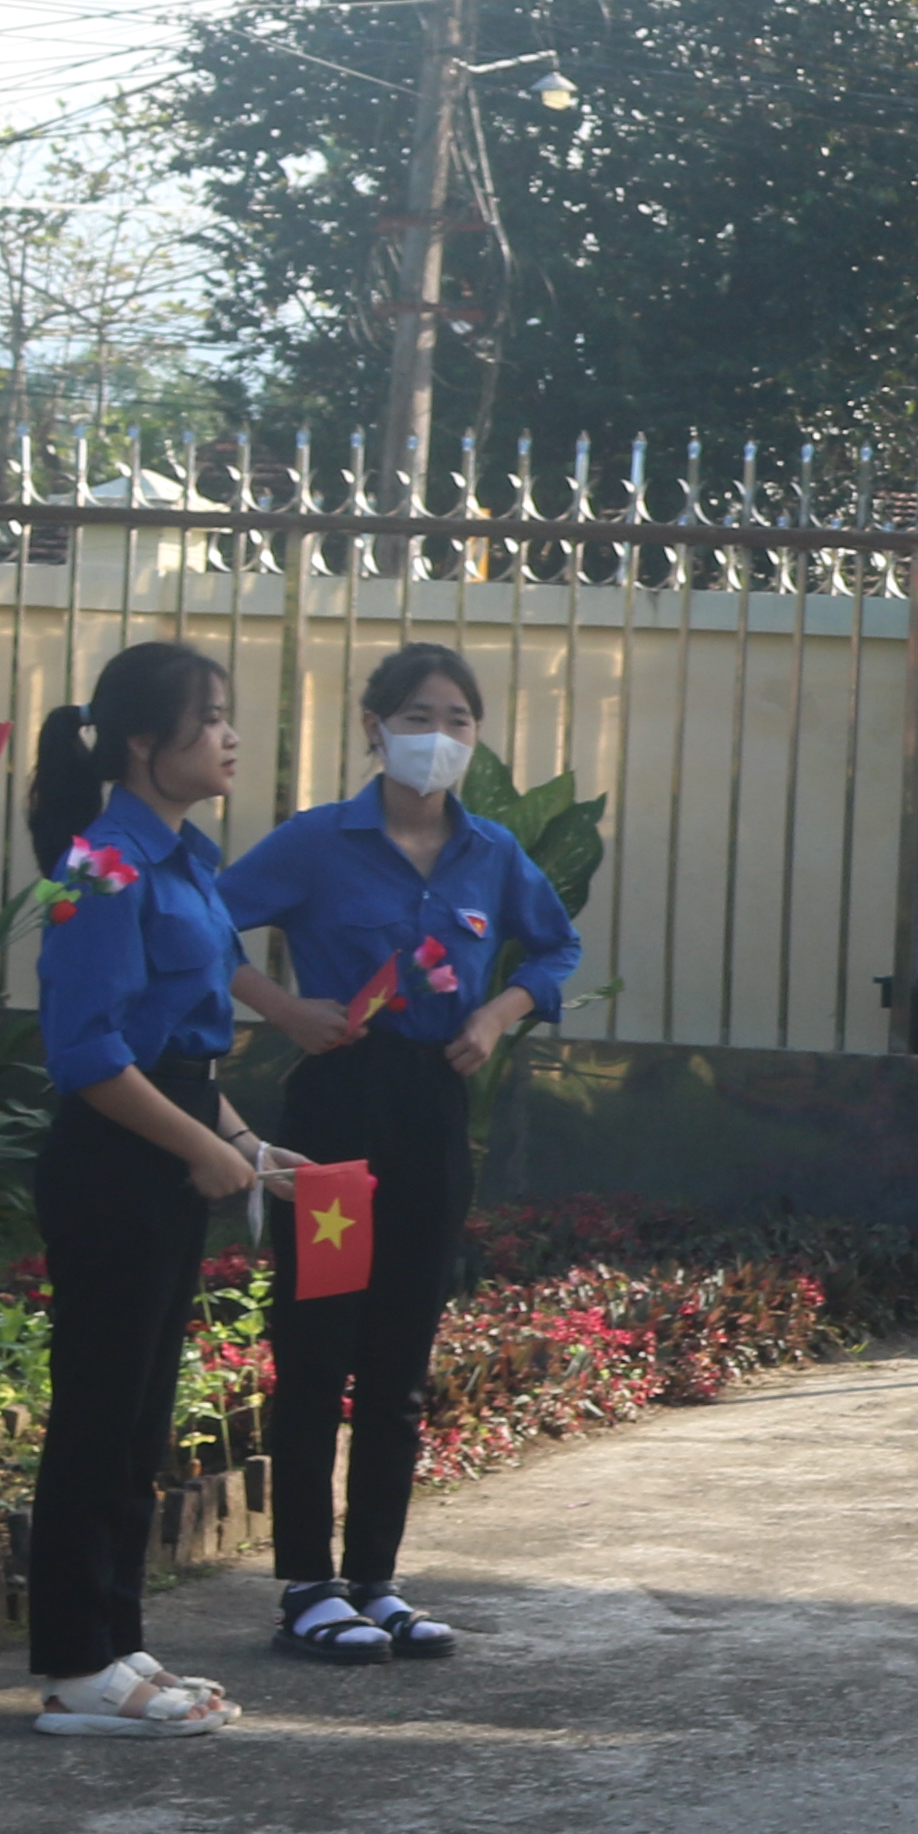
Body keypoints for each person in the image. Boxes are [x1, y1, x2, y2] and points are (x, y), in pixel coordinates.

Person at [223, 645, 583, 1668]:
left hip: (431, 1108)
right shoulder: (314, 843)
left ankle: (376, 1581)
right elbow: (202, 922)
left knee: (400, 1358)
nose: (440, 735)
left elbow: (554, 947)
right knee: (319, 1345)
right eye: (418, 715)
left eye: (460, 719)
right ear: (373, 728)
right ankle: (305, 1585)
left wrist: (500, 1009)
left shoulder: (493, 853)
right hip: (337, 1105)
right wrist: (284, 1009)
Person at [21, 641, 298, 1739]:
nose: (230, 737)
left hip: (170, 1133)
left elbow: (188, 1047)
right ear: (144, 741)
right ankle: (73, 1666)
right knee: (97, 1409)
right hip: (113, 1159)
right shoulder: (102, 864)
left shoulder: (186, 856)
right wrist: (197, 1145)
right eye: (211, 718)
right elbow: (86, 1051)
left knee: (139, 1417)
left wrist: (247, 1142)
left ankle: (114, 1637)